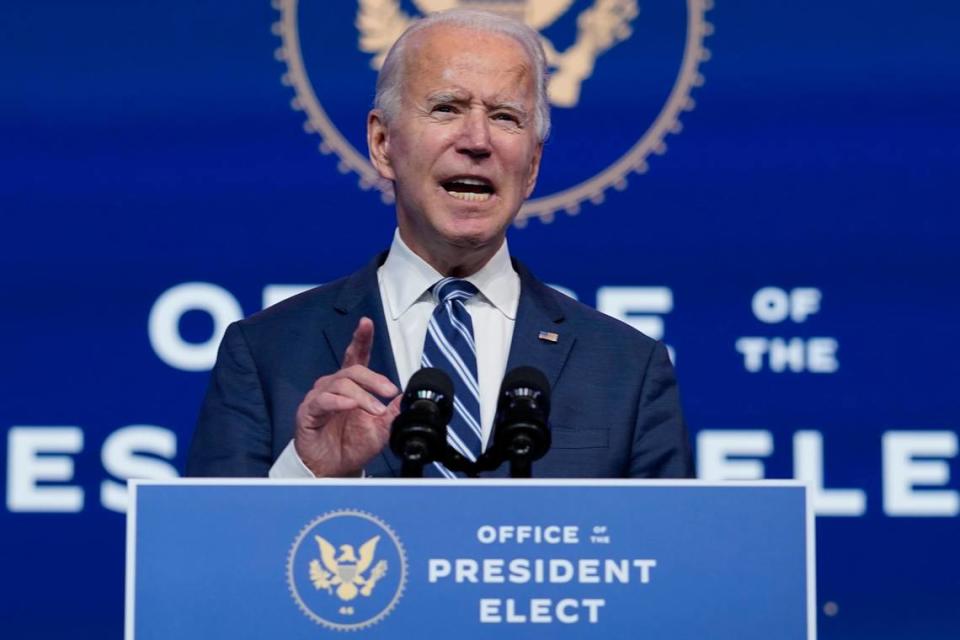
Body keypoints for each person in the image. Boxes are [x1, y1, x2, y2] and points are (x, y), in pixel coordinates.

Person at [187, 9, 692, 479]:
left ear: (533, 165)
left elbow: (670, 561)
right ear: (383, 144)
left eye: (505, 117)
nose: (477, 140)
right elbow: (206, 559)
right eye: (446, 108)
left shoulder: (629, 368)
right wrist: (310, 475)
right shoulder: (265, 353)